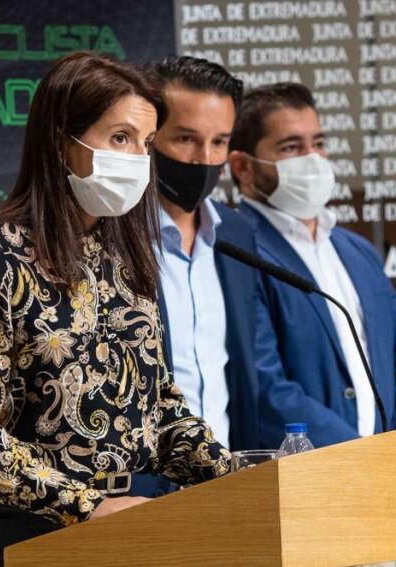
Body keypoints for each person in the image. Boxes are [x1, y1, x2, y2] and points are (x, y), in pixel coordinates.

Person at [0, 52, 231, 567]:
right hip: (19, 534)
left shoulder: (127, 257)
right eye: (120, 138)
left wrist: (241, 476)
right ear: (59, 141)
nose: (137, 158)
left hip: (124, 526)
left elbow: (159, 410)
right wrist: (86, 506)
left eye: (145, 143)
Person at [227, 82, 396, 450]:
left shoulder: (358, 251)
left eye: (319, 143)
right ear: (243, 167)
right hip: (301, 472)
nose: (313, 159)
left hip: (387, 469)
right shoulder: (236, 252)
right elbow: (263, 387)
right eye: (291, 147)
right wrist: (358, 459)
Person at [127, 57, 259, 499]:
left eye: (219, 142)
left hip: (228, 491)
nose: (205, 160)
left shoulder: (237, 234)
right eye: (186, 139)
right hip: (139, 498)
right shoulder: (110, 236)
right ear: (150, 139)